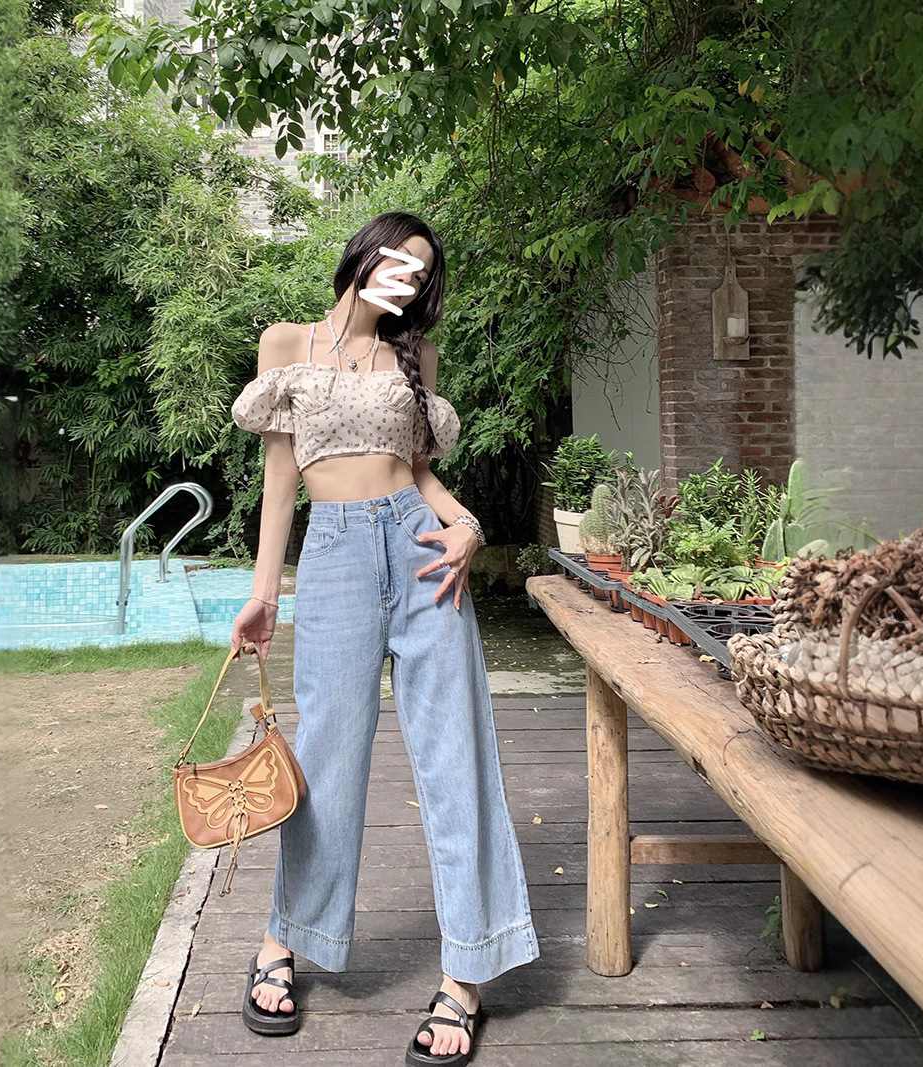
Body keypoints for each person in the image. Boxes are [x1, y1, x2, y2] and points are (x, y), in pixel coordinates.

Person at [229, 211, 539, 1066]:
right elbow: (280, 480)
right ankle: (284, 938)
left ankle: (465, 974)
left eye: (421, 269)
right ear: (363, 254)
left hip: (422, 550)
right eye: (396, 256)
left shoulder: (415, 357)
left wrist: (466, 524)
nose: (405, 273)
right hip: (333, 556)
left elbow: (418, 473)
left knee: (454, 752)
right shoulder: (286, 343)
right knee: (325, 757)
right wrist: (264, 594)